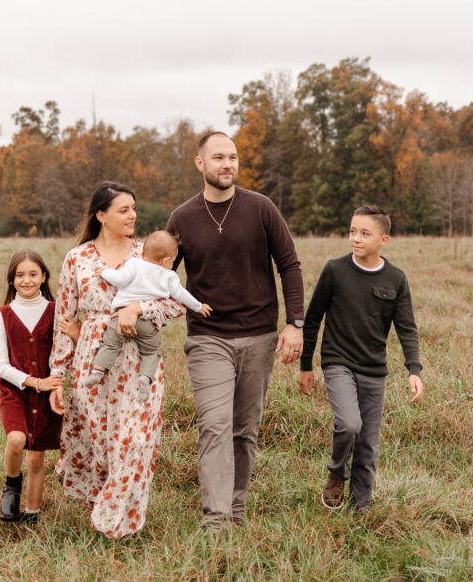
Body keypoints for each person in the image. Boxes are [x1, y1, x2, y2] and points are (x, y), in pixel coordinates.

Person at [165, 131, 305, 534]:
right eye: (219, 158)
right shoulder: (182, 218)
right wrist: (133, 311)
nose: (228, 164)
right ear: (200, 164)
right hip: (207, 338)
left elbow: (290, 266)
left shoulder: (262, 208)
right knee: (214, 425)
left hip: (259, 336)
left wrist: (295, 324)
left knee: (244, 431)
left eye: (233, 157)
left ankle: (236, 508)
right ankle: (215, 520)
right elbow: (161, 277)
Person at [48, 182, 185, 538]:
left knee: (134, 440)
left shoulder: (148, 252)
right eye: (123, 210)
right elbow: (64, 320)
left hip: (138, 359)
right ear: (101, 215)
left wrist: (139, 307)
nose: (133, 216)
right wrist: (57, 378)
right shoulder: (77, 258)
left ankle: (115, 518)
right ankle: (105, 509)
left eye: (134, 209)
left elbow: (175, 302)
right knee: (100, 443)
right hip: (92, 362)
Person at [297, 205, 424, 514]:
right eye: (352, 231)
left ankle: (360, 511)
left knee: (368, 445)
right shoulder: (334, 270)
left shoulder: (395, 278)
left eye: (365, 233)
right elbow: (312, 319)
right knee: (349, 424)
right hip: (338, 362)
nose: (355, 238)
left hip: (374, 371)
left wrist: (414, 369)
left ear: (384, 239)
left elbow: (406, 326)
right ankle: (337, 472)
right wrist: (306, 366)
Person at [85, 230, 212, 402]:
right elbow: (182, 295)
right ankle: (145, 377)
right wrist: (198, 306)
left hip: (120, 316)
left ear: (143, 252)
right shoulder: (169, 276)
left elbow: (120, 279)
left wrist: (104, 272)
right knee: (151, 352)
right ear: (166, 260)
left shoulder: (134, 263)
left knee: (110, 344)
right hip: (148, 321)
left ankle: (97, 371)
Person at [0, 249, 64, 523]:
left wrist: (54, 381)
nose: (27, 280)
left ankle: (31, 514)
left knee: (36, 459)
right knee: (16, 439)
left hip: (46, 396)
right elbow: (1, 366)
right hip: (16, 391)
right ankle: (12, 484)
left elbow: (61, 352)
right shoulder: (4, 315)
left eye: (33, 274)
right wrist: (36, 382)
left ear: (43, 277)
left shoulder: (55, 312)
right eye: (20, 275)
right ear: (11, 280)